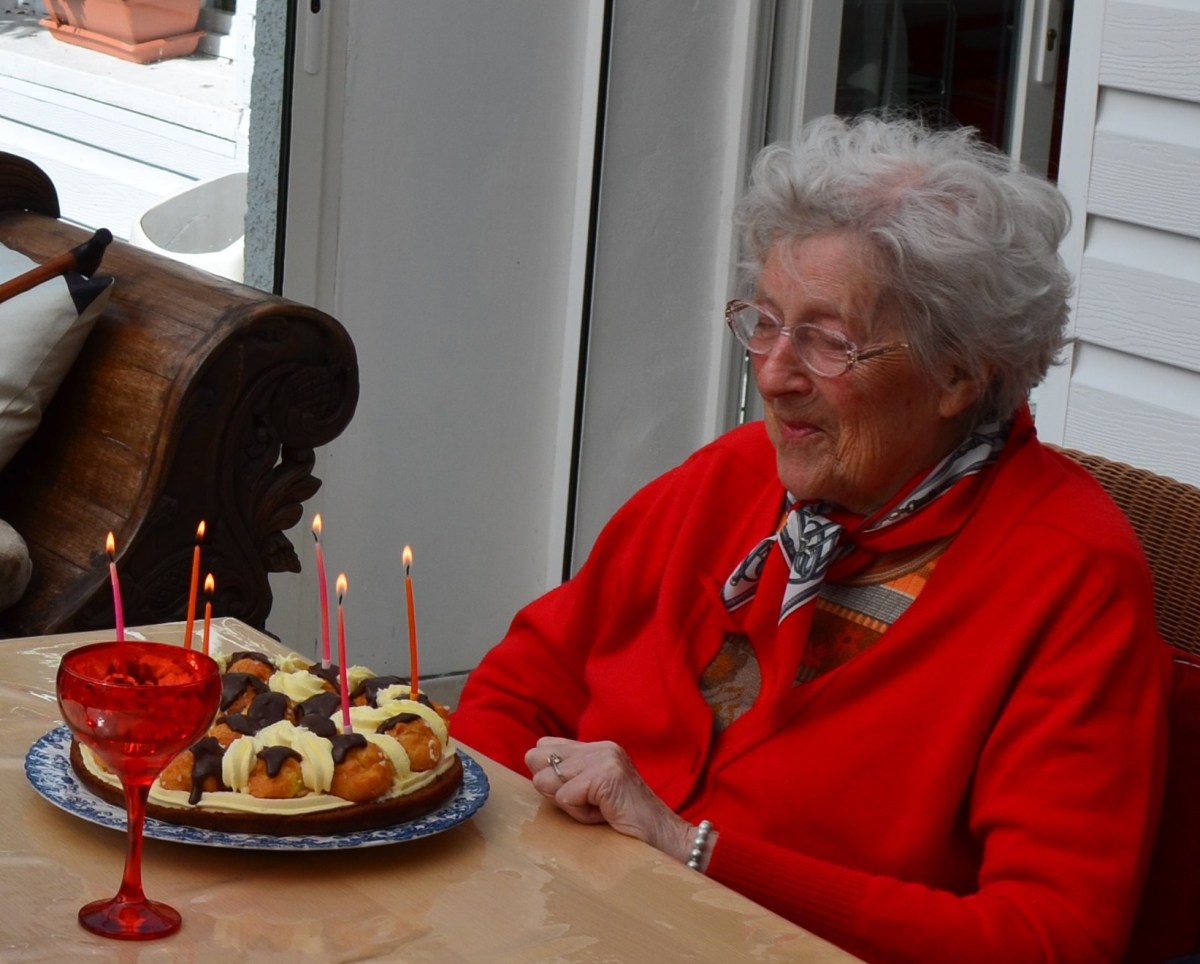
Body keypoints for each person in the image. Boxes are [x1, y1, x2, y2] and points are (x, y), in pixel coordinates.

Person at [452, 114, 1171, 963]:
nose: (772, 373)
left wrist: (694, 850)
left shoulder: (1068, 579)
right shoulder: (733, 479)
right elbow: (519, 687)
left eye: (829, 342)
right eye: (764, 321)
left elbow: (1048, 939)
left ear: (959, 373)